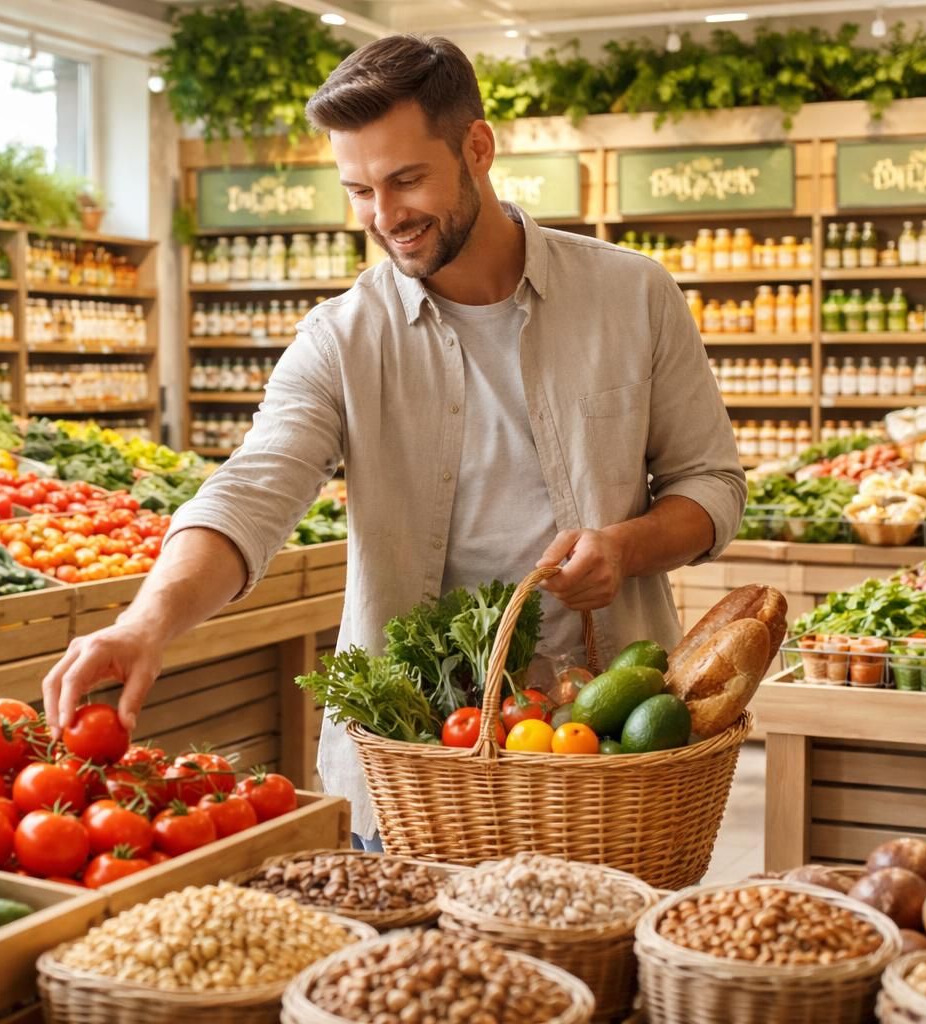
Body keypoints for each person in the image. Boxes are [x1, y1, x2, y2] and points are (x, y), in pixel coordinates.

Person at [44, 34, 745, 850]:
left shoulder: (632, 295)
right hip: (409, 767)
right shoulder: (342, 338)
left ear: (477, 147)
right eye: (360, 190)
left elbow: (713, 486)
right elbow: (253, 489)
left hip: (606, 747)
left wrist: (625, 545)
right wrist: (145, 624)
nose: (385, 217)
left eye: (406, 179)